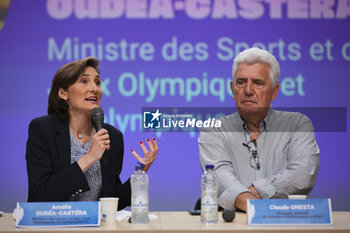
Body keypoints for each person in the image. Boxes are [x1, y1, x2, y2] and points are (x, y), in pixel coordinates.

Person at [26, 57, 158, 210]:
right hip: (51, 226)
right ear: (63, 93)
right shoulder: (42, 129)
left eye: (97, 82)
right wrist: (89, 158)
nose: (94, 88)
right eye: (84, 81)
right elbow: (41, 195)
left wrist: (140, 173)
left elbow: (112, 200)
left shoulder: (111, 136)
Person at [198, 47, 319, 212]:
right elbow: (220, 179)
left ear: (274, 91)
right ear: (233, 89)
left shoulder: (297, 125)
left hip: (286, 224)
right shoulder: (214, 130)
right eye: (241, 82)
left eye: (258, 83)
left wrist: (249, 195)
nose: (248, 91)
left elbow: (302, 175)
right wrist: (263, 201)